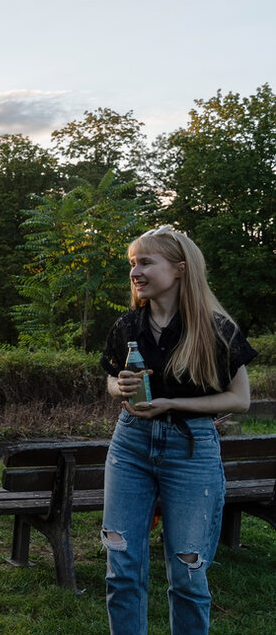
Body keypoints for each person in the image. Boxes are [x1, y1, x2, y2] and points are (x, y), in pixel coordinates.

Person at [99, 225, 256, 634]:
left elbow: (239, 399)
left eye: (146, 262)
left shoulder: (216, 329)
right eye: (133, 263)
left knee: (188, 573)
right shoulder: (127, 327)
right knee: (122, 568)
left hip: (191, 451)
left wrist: (172, 403)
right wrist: (121, 385)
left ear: (181, 269)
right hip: (130, 445)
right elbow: (110, 382)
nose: (136, 271)